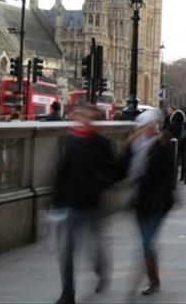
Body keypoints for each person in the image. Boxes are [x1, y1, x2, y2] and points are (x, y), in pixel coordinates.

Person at [52, 102, 116, 304]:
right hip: (69, 205)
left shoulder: (102, 143)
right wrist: (56, 202)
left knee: (94, 247)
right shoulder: (68, 141)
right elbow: (60, 173)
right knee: (66, 251)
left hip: (91, 205)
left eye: (87, 116)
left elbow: (111, 173)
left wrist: (95, 184)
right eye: (80, 115)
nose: (83, 119)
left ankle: (101, 270)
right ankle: (67, 294)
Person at [120, 109, 175, 297]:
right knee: (147, 242)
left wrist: (161, 199)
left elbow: (168, 177)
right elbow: (120, 168)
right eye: (145, 126)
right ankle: (154, 280)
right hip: (138, 201)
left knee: (146, 242)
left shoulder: (162, 146)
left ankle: (144, 284)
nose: (148, 129)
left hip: (157, 203)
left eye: (151, 126)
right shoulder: (133, 146)